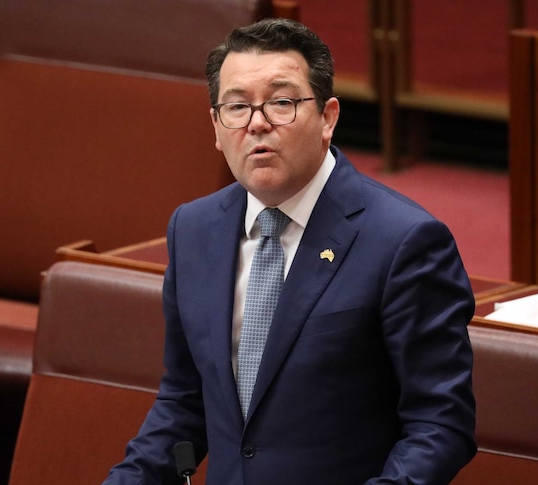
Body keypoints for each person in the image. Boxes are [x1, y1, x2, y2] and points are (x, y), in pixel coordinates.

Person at [103, 18, 475, 485]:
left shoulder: (405, 241)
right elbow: (186, 398)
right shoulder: (193, 229)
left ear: (328, 117)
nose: (258, 123)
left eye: (282, 102)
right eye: (237, 106)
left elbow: (440, 425)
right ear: (216, 128)